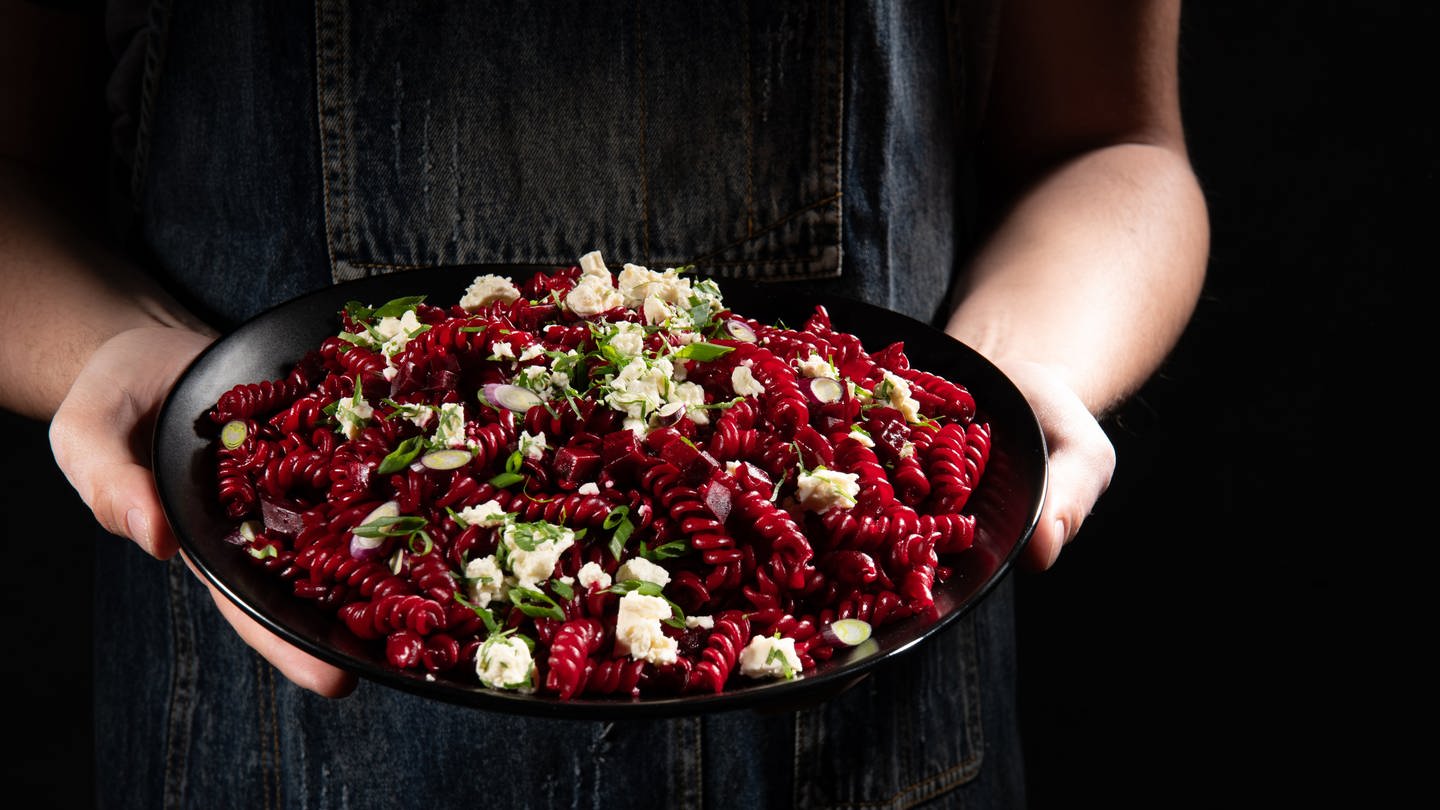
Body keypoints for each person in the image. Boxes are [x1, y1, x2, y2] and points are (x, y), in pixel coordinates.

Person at [2, 0, 1207, 807]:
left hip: (874, 739)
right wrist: (118, 349)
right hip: (266, 729)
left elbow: (1111, 140)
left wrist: (992, 379)